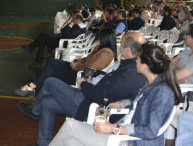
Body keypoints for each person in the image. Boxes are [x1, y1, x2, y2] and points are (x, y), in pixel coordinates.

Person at [18, 32, 147, 146]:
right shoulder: (130, 67)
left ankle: (35, 111)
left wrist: (84, 84)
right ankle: (42, 142)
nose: (119, 46)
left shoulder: (131, 73)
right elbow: (110, 87)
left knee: (50, 82)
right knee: (47, 103)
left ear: (128, 50)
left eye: (122, 44)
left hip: (90, 106)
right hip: (89, 99)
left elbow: (101, 96)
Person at [50, 43, 182, 146]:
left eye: (138, 59)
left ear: (145, 66)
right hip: (127, 137)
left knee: (70, 126)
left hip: (132, 142)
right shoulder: (151, 84)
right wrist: (120, 104)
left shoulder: (162, 92)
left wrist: (113, 128)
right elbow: (138, 102)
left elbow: (150, 131)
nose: (135, 61)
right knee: (70, 143)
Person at [15, 28, 117, 97]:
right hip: (78, 68)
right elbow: (87, 58)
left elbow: (90, 69)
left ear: (105, 39)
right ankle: (33, 87)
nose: (98, 39)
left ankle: (32, 87)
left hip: (79, 76)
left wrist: (76, 66)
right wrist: (77, 61)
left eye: (100, 37)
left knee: (51, 72)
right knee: (52, 62)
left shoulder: (107, 53)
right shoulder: (99, 48)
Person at [21, 13, 86, 67]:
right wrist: (69, 27)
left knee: (42, 35)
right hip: (61, 39)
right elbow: (63, 31)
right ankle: (37, 61)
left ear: (78, 20)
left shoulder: (78, 28)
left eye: (73, 19)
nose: (72, 20)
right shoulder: (79, 26)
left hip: (62, 43)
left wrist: (70, 25)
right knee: (41, 41)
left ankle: (31, 48)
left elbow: (68, 36)